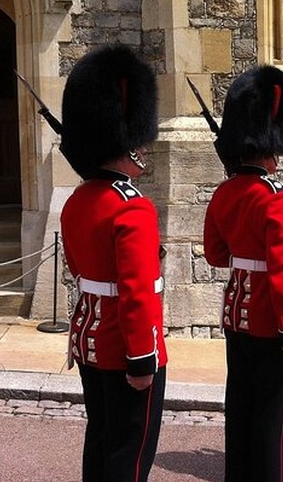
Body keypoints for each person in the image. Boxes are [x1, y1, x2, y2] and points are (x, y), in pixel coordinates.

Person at [59, 44, 167, 481]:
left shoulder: (77, 201)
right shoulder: (132, 206)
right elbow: (137, 292)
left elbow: (77, 268)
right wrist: (142, 358)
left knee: (101, 442)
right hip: (126, 349)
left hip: (90, 342)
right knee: (129, 458)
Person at [203, 65, 283, 481]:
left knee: (240, 405)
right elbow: (282, 272)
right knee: (272, 416)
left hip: (235, 316)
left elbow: (215, 255)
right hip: (268, 319)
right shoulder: (276, 198)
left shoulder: (224, 193)